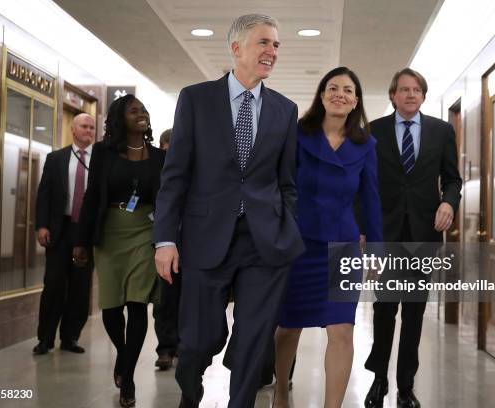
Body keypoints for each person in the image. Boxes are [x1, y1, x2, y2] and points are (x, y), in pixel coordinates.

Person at [153, 13, 304, 408]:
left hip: (264, 241)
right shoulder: (196, 99)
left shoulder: (284, 111)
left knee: (255, 337)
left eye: (276, 45)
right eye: (263, 43)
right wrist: (165, 239)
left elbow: (287, 182)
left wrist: (285, 225)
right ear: (236, 48)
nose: (271, 51)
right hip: (205, 236)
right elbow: (175, 176)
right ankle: (191, 389)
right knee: (200, 338)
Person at [273, 67, 383, 408]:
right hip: (298, 244)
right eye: (333, 88)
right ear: (321, 96)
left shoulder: (366, 144)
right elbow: (278, 187)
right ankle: (280, 393)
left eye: (348, 90)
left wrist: (377, 250)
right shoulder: (297, 135)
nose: (340, 94)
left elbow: (371, 199)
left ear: (356, 101)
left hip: (343, 247)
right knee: (289, 327)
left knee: (341, 329)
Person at [363, 68, 462, 408]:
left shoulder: (441, 131)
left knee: (415, 312)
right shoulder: (373, 132)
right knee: (385, 308)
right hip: (385, 233)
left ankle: (406, 387)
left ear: (423, 95)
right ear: (393, 95)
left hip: (423, 233)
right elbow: (364, 184)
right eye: (403, 89)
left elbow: (452, 178)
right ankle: (378, 380)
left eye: (416, 89)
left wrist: (449, 201)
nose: (410, 94)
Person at [73, 95, 166, 408]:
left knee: (138, 303)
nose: (141, 114)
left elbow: (166, 198)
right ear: (119, 119)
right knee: (112, 307)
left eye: (143, 109)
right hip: (110, 233)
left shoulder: (158, 157)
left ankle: (128, 377)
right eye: (133, 110)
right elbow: (91, 198)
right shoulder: (103, 153)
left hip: (145, 231)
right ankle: (125, 356)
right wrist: (81, 241)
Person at [33, 113, 96, 355]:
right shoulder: (56, 159)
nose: (88, 131)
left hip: (86, 232)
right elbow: (44, 195)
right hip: (60, 230)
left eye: (91, 127)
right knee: (54, 285)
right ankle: (45, 339)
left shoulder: (100, 161)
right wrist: (41, 225)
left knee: (80, 288)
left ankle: (70, 338)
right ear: (73, 129)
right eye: (84, 126)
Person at [152, 128, 181, 371]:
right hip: (164, 243)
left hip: (191, 244)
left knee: (187, 300)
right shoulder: (156, 171)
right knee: (165, 300)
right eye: (167, 147)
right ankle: (165, 349)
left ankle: (181, 345)